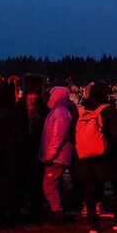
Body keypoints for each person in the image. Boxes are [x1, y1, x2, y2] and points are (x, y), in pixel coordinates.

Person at [73, 81, 117, 233]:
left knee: (89, 189)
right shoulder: (109, 110)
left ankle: (93, 225)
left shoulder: (80, 111)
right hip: (107, 158)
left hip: (85, 158)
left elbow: (71, 135)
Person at [38, 86, 78, 224]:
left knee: (48, 185)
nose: (49, 98)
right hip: (61, 154)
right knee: (56, 184)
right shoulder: (63, 110)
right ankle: (59, 211)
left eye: (51, 96)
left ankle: (58, 212)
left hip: (57, 156)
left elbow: (57, 136)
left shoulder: (60, 112)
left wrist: (49, 155)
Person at [14, 74, 48, 221]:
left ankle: (36, 210)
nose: (33, 97)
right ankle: (17, 209)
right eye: (31, 94)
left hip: (36, 151)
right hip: (20, 151)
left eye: (35, 94)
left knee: (36, 183)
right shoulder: (17, 109)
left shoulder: (43, 110)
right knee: (20, 182)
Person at [0, 79, 24, 227]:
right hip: (9, 154)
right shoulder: (11, 112)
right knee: (7, 185)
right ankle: (9, 212)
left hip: (5, 153)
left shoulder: (6, 112)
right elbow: (18, 134)